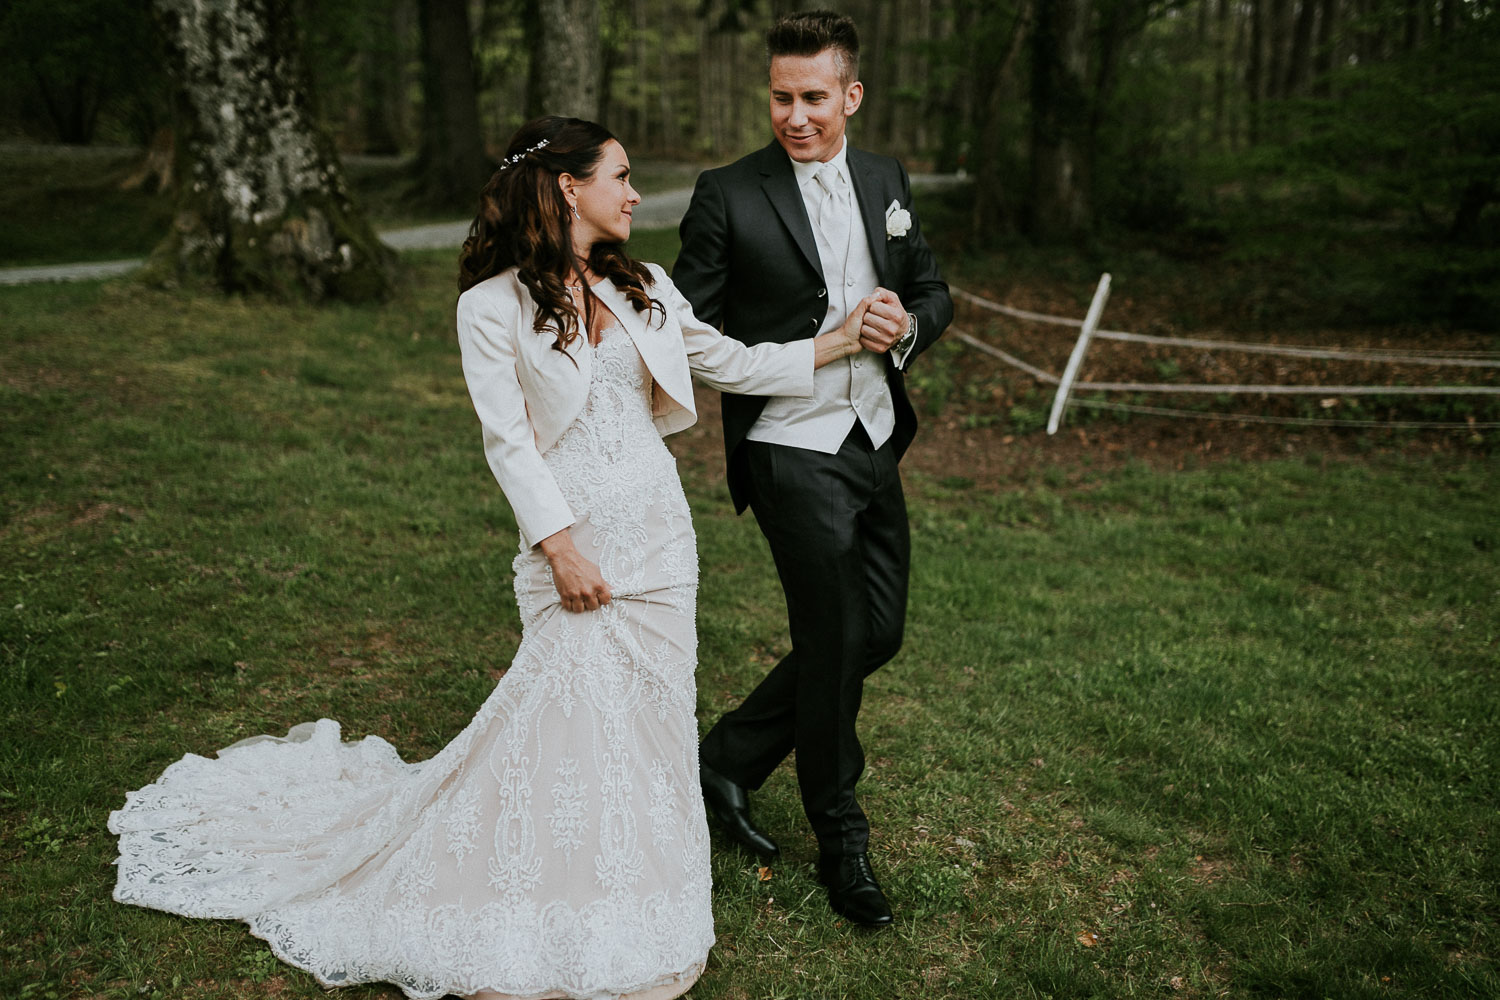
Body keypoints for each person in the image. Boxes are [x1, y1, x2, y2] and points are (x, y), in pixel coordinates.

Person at [107, 116, 872, 1000]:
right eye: (619, 177)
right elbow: (508, 442)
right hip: (574, 543)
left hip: (660, 537)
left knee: (650, 722)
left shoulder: (648, 284)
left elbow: (730, 360)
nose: (633, 193)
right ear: (564, 188)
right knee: (563, 717)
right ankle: (532, 888)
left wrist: (840, 338)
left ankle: (639, 894)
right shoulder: (490, 307)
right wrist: (560, 546)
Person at [673, 10, 954, 929]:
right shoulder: (728, 193)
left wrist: (905, 328)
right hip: (789, 446)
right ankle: (842, 840)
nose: (795, 116)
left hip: (874, 439)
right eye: (781, 97)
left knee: (877, 633)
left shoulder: (884, 178)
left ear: (851, 96)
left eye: (814, 98)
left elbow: (932, 290)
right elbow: (692, 331)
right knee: (836, 644)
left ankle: (727, 757)